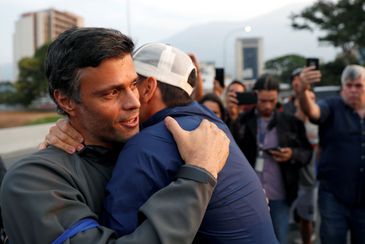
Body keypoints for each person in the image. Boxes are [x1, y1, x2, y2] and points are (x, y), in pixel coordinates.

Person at [0, 27, 231, 244]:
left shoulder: (149, 150)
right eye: (111, 93)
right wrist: (199, 175)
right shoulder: (32, 181)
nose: (134, 102)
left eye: (133, 85)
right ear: (66, 101)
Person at [47, 42, 278, 243]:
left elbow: (117, 232)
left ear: (148, 87)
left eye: (130, 84)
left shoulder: (148, 145)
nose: (127, 97)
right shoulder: (212, 125)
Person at [231, 74, 313, 244]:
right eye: (262, 101)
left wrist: (292, 154)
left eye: (272, 100)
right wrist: (232, 114)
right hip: (249, 194)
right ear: (255, 96)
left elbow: (306, 153)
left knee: (278, 238)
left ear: (278, 97)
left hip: (279, 194)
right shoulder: (242, 121)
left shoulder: (291, 122)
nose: (267, 105)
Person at [298, 65, 365, 244]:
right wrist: (303, 89)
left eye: (358, 85)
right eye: (348, 85)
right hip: (334, 195)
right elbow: (313, 112)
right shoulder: (332, 106)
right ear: (342, 86)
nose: (353, 90)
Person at [284, 69, 318, 244]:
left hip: (308, 170)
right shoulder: (286, 106)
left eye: (301, 80)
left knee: (306, 216)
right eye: (295, 80)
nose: (297, 83)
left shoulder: (312, 103)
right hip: (290, 168)